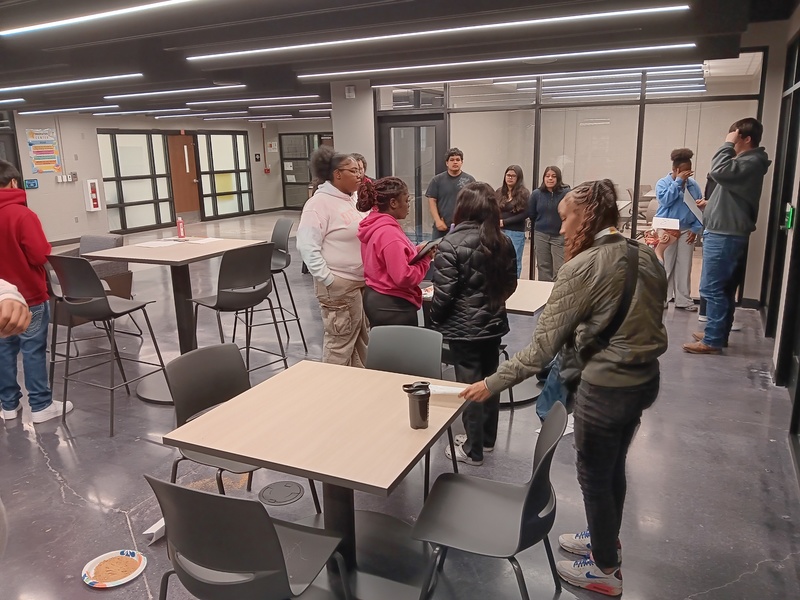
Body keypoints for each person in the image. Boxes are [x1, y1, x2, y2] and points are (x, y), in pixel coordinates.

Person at [460, 180, 668, 597]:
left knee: (594, 475)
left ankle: (606, 569)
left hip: (605, 388)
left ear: (587, 217)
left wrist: (491, 383)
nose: (560, 225)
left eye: (568, 216)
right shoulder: (645, 254)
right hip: (643, 381)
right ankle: (604, 537)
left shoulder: (583, 267)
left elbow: (539, 351)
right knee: (613, 468)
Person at [429, 182, 517, 466]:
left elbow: (443, 295)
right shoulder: (502, 241)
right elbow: (510, 285)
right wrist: (490, 304)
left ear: (462, 207)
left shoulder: (450, 244)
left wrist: (435, 320)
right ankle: (487, 442)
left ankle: (472, 450)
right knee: (489, 383)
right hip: (493, 325)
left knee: (468, 387)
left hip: (463, 330)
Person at [684, 118, 771, 354]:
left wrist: (726, 143)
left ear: (746, 138)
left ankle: (712, 340)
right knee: (722, 288)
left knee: (712, 288)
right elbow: (733, 196)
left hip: (725, 234)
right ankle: (717, 332)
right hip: (724, 230)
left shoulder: (750, 162)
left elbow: (718, 171)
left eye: (735, 136)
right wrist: (710, 204)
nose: (731, 140)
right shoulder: (745, 162)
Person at [0, 159, 73, 423]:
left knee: (3, 350)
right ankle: (41, 405)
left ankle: (8, 406)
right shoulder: (23, 215)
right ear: (13, 182)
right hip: (28, 298)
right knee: (33, 350)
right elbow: (41, 255)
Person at [297, 147, 369, 366]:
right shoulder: (319, 204)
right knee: (339, 344)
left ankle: (358, 389)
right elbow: (307, 246)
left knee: (360, 340)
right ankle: (331, 391)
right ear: (337, 174)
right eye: (353, 171)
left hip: (358, 282)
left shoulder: (352, 198)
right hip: (337, 284)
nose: (359, 175)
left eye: (360, 170)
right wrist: (328, 279)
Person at [357, 177, 434, 327]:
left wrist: (416, 252)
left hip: (377, 297)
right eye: (406, 200)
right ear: (393, 203)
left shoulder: (375, 225)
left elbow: (388, 259)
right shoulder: (389, 233)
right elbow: (404, 277)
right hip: (392, 304)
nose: (408, 205)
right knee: (401, 349)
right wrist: (425, 259)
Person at [654, 148, 703, 310]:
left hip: (687, 229)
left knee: (685, 265)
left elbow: (698, 207)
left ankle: (683, 300)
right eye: (684, 172)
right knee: (666, 264)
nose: (687, 175)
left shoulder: (693, 185)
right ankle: (663, 299)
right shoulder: (663, 183)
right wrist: (677, 183)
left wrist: (696, 229)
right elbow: (666, 201)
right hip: (667, 228)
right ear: (675, 170)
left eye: (689, 171)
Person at [529, 166, 569, 281]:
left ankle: (558, 293)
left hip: (559, 235)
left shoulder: (566, 193)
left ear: (558, 178)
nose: (550, 179)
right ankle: (544, 293)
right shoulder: (536, 194)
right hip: (541, 235)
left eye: (553, 176)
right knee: (543, 266)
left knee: (560, 267)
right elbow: (532, 214)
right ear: (543, 178)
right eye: (547, 176)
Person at [426, 148, 476, 239]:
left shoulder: (470, 180)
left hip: (463, 227)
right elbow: (432, 200)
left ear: (462, 162)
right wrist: (437, 221)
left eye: (458, 160)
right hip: (442, 226)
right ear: (447, 163)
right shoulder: (437, 180)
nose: (455, 162)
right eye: (452, 160)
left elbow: (474, 202)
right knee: (437, 251)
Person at [496, 165, 530, 278]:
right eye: (508, 175)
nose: (510, 178)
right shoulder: (499, 192)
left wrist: (505, 222)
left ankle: (515, 284)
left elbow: (525, 214)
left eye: (513, 176)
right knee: (499, 259)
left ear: (518, 178)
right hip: (499, 231)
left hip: (516, 232)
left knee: (514, 260)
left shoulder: (524, 193)